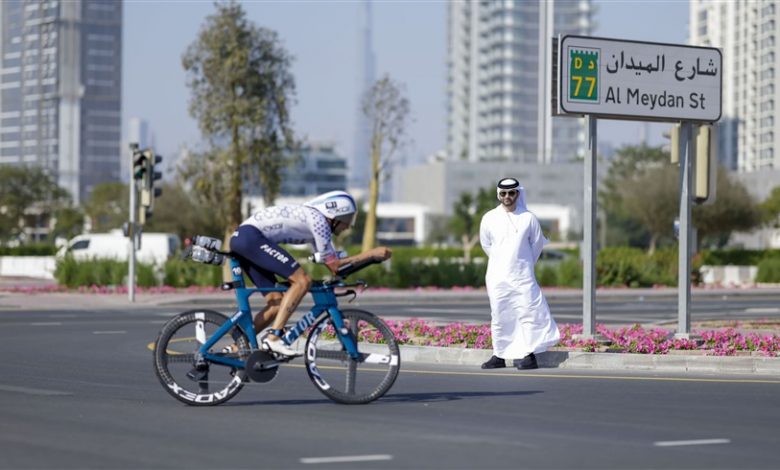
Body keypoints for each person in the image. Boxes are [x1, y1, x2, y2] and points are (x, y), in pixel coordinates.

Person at [229, 190, 392, 357]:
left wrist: (370, 260)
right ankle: (274, 338)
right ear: (334, 215)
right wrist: (370, 254)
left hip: (245, 238)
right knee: (302, 281)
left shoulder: (316, 223)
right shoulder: (319, 221)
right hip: (251, 237)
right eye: (348, 219)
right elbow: (336, 265)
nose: (349, 226)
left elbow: (335, 268)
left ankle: (236, 348)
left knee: (277, 304)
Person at [478, 177, 560, 370]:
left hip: (523, 276)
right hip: (497, 277)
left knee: (528, 313)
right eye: (503, 193)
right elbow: (486, 244)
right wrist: (503, 262)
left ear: (518, 194)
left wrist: (523, 263)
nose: (507, 197)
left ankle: (529, 355)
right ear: (499, 194)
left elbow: (537, 245)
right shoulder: (489, 218)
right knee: (499, 315)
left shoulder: (528, 218)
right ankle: (499, 355)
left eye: (511, 193)